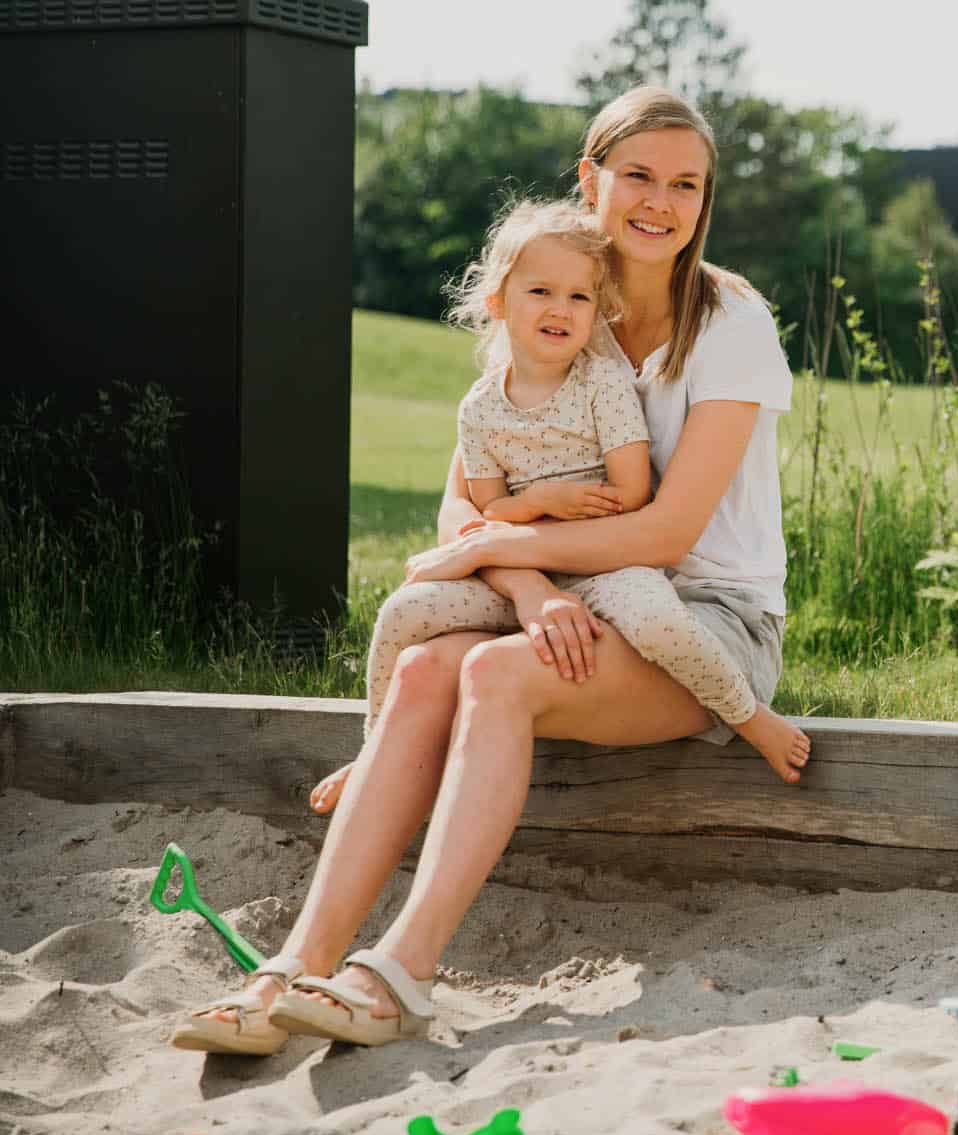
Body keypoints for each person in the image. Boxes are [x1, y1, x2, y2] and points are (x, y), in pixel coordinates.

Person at [172, 86, 808, 1054]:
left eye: (686, 184)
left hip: (704, 623)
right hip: (567, 603)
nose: (660, 202)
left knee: (489, 670)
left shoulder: (729, 323)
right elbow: (462, 509)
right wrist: (525, 581)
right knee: (429, 665)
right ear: (590, 179)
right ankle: (288, 970)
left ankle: (397, 976)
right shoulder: (556, 303)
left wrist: (504, 546)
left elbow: (667, 533)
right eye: (637, 175)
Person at [309, 198, 804, 801]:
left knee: (659, 620)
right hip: (526, 577)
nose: (560, 310)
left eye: (578, 298)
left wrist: (535, 516)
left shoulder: (603, 381)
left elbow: (632, 493)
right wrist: (545, 502)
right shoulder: (481, 406)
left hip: (609, 566)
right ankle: (374, 750)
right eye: (541, 292)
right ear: (498, 302)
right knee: (401, 615)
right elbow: (484, 513)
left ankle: (747, 715)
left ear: (598, 310)